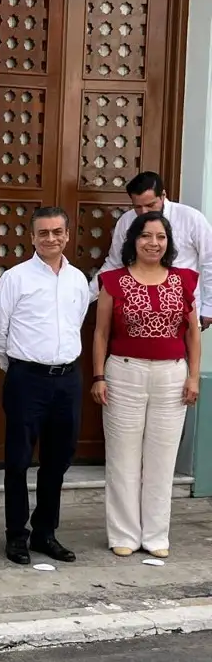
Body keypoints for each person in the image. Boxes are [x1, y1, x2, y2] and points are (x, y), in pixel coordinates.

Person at [91, 211, 200, 558]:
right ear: (133, 240)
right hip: (124, 373)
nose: (153, 243)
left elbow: (194, 333)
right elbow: (101, 333)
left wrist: (194, 376)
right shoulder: (113, 280)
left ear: (168, 243)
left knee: (162, 458)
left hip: (172, 375)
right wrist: (98, 376)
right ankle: (123, 533)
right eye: (146, 236)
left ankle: (156, 536)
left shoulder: (184, 279)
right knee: (123, 456)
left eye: (160, 237)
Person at [0, 206, 90, 565]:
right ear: (32, 237)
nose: (51, 238)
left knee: (58, 460)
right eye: (43, 233)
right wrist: (16, 367)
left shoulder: (78, 279)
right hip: (26, 379)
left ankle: (45, 532)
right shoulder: (15, 278)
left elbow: (77, 322)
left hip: (67, 380)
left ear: (67, 234)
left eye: (57, 232)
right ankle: (16, 534)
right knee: (17, 460)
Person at [89, 171, 212, 330]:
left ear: (163, 195)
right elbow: (113, 264)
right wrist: (86, 297)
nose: (144, 212)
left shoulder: (191, 218)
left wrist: (209, 306)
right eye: (138, 207)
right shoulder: (126, 221)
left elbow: (209, 260)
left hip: (184, 307)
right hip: (138, 310)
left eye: (150, 205)